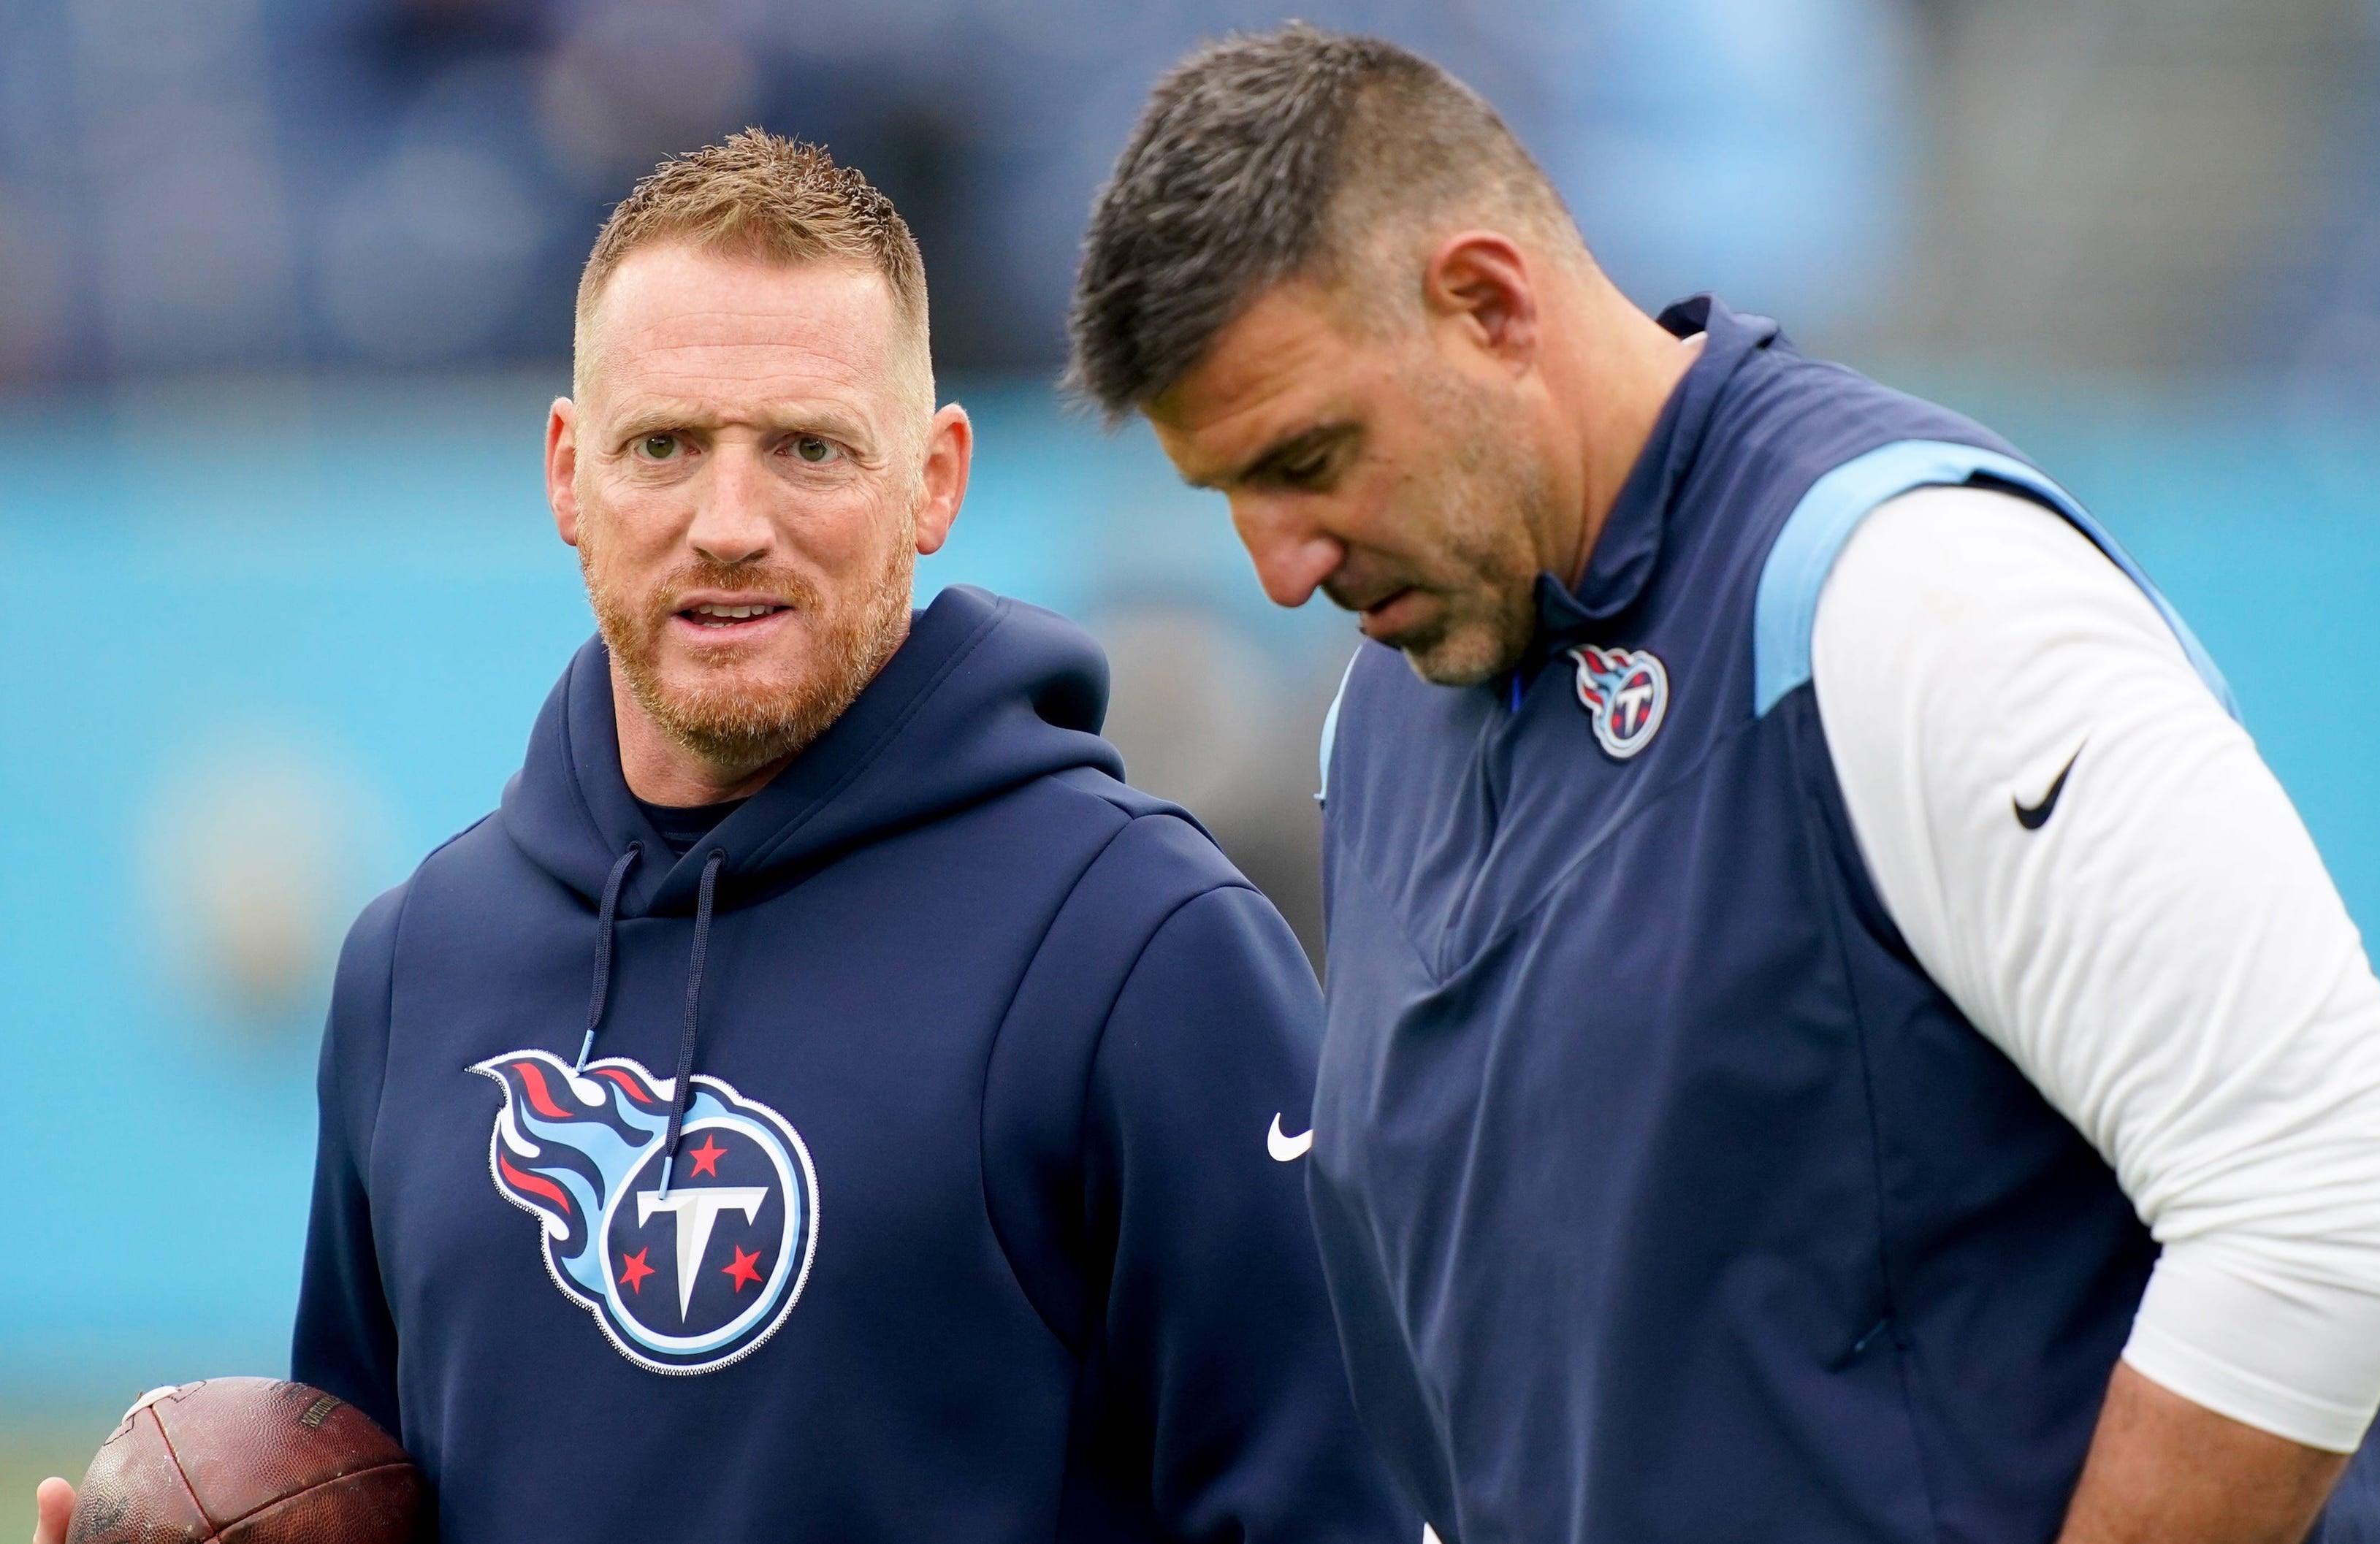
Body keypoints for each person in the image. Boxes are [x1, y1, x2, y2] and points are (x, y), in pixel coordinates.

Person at [1066, 26, 2380, 1544]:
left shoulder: (1905, 591)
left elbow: (2321, 1204)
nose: (1279, 570)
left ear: (1485, 302)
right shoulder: (1379, 721)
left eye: (1310, 458)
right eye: (1231, 500)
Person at [31, 130, 1419, 1544]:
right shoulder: (416, 964)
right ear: (570, 474)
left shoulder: (1141, 944)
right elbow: (357, 1503)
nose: (730, 523)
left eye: (807, 448)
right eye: (665, 447)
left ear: (933, 481)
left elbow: (1332, 1508)